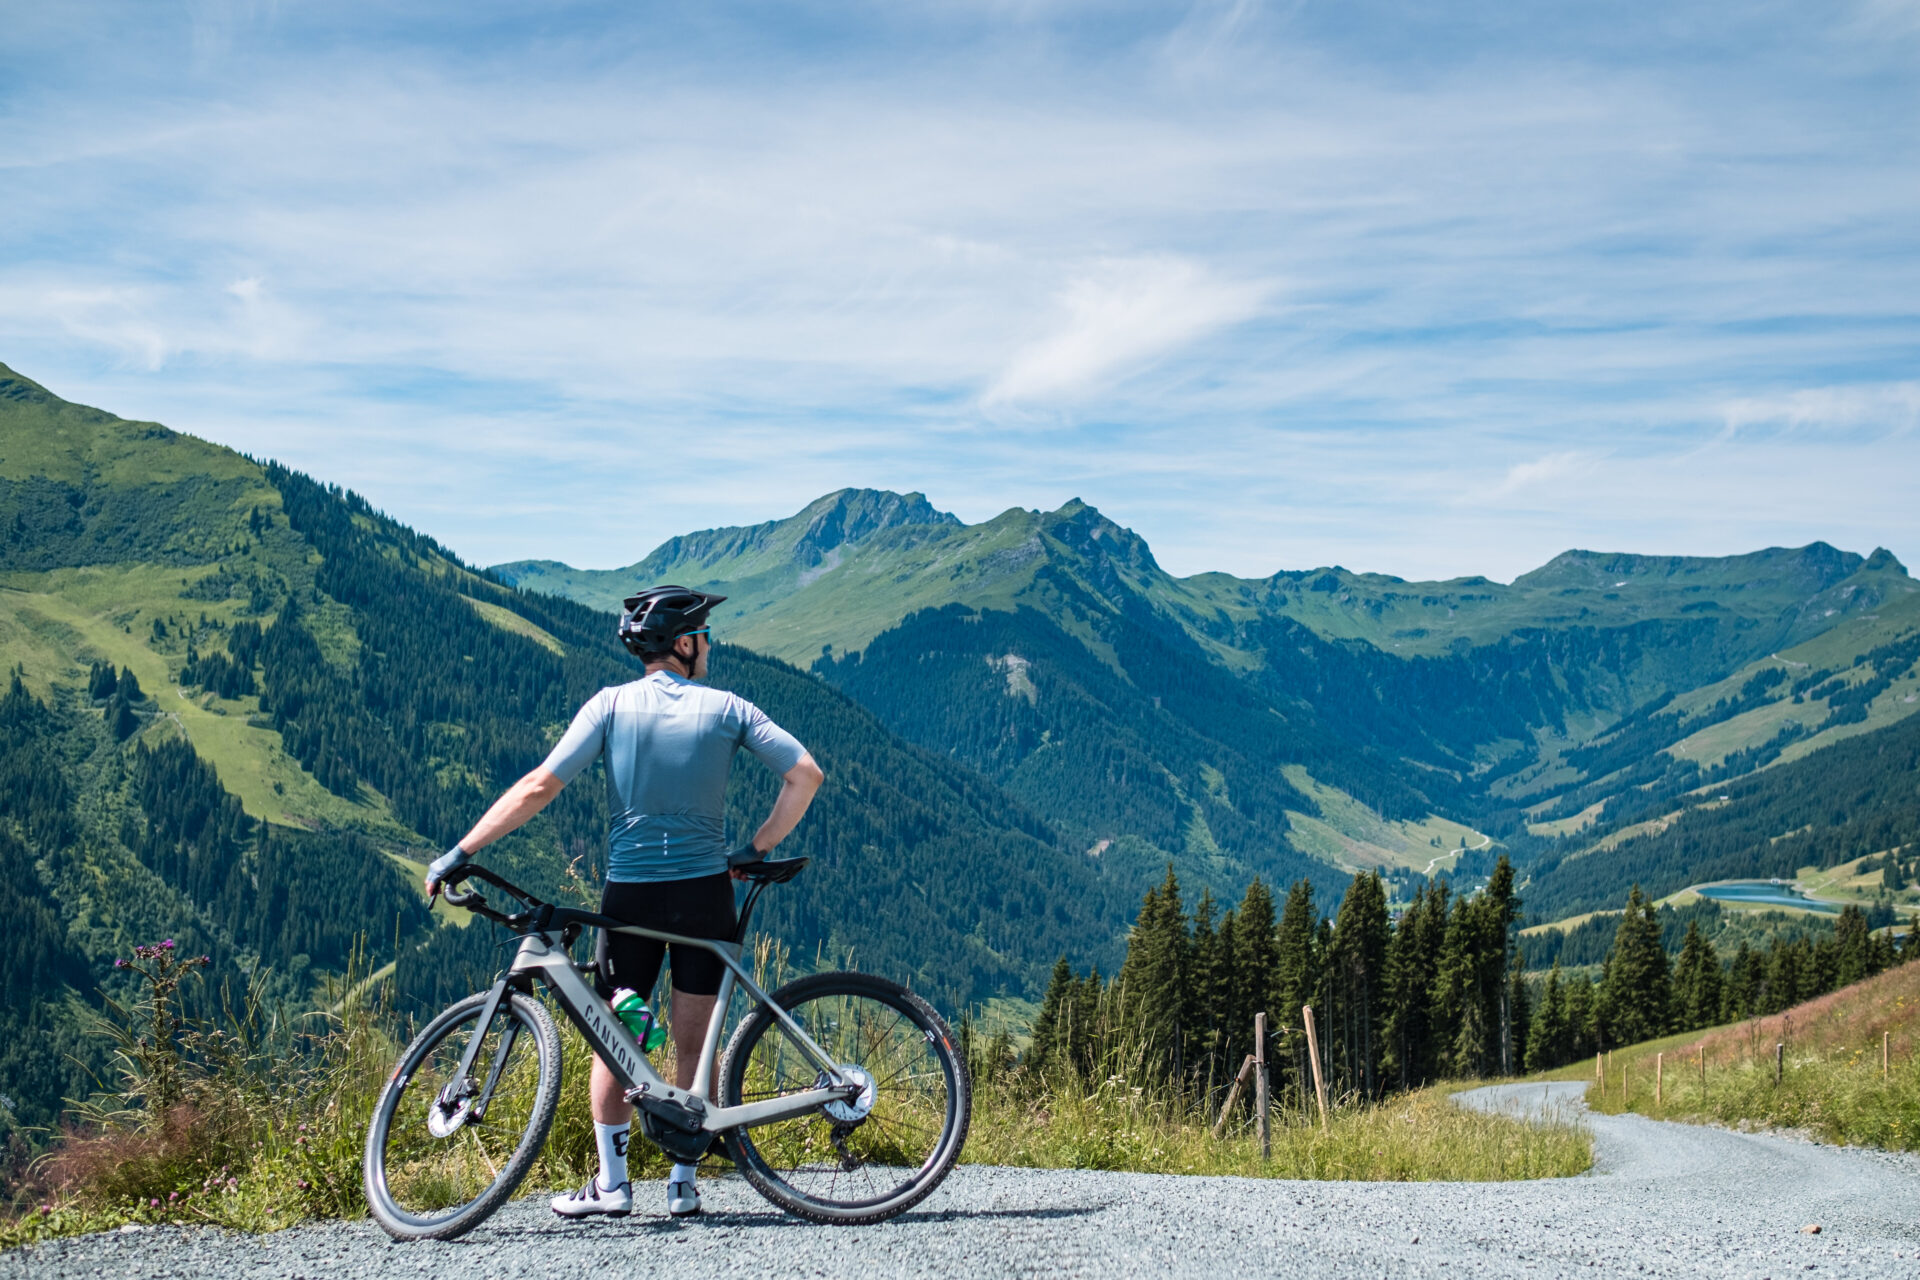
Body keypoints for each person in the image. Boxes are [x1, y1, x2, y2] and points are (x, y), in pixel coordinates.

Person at [423, 585, 824, 1220]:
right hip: (704, 893)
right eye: (705, 638)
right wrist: (754, 847)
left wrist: (462, 849)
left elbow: (537, 787)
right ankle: (683, 1182)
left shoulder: (608, 706)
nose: (709, 649)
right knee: (695, 1040)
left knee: (616, 1037)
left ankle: (613, 1185)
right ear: (685, 644)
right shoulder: (728, 707)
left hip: (630, 898)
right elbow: (806, 774)